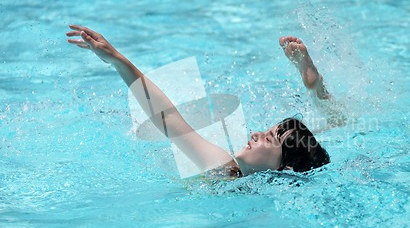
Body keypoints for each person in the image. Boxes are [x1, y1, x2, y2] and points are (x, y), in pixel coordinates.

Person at [66, 25, 340, 178]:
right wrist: (117, 59)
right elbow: (169, 118)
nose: (255, 134)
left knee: (335, 125)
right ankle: (316, 86)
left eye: (267, 139)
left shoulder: (227, 172)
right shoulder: (227, 167)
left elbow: (168, 117)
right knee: (338, 124)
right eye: (265, 132)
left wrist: (118, 60)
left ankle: (317, 89)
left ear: (285, 169)